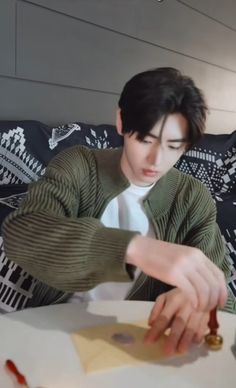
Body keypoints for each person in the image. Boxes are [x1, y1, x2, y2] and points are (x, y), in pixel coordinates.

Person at [2, 67, 235, 356]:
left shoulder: (192, 197)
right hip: (56, 331)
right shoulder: (78, 165)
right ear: (121, 121)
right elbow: (23, 232)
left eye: (174, 146)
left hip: (143, 344)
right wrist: (135, 248)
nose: (156, 160)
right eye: (145, 140)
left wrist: (198, 302)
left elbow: (221, 293)